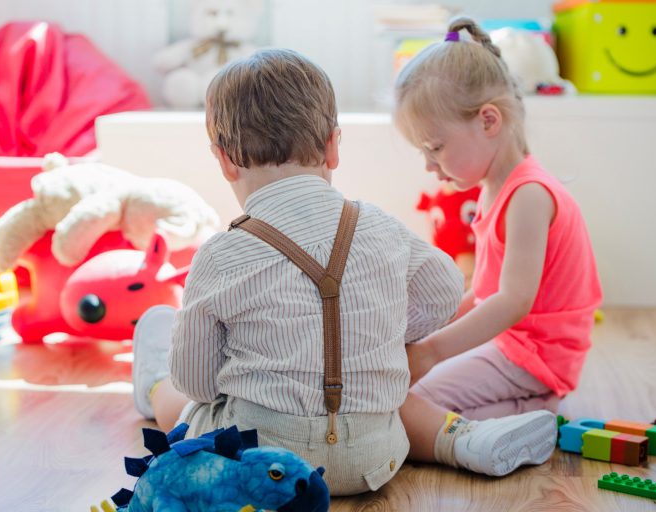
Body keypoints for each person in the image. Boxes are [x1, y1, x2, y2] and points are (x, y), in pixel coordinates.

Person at [131, 48, 557, 496]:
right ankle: (461, 440)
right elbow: (446, 289)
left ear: (224, 161)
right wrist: (377, 331)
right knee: (386, 402)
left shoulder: (220, 255)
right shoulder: (382, 229)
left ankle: (151, 381)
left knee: (183, 404)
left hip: (260, 463)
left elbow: (198, 382)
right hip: (376, 459)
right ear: (333, 146)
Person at [393, 18, 603, 421]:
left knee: (405, 408)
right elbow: (486, 294)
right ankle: (529, 407)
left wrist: (431, 352)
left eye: (435, 147)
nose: (429, 166)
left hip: (534, 356)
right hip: (513, 343)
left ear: (488, 121)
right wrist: (422, 333)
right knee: (404, 390)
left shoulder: (528, 196)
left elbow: (512, 302)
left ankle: (535, 407)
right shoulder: (496, 186)